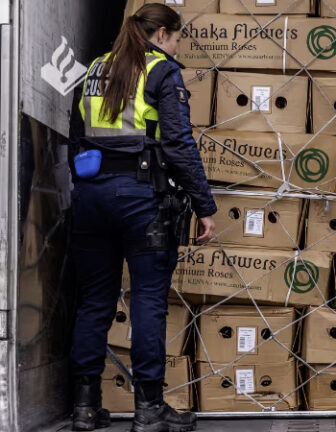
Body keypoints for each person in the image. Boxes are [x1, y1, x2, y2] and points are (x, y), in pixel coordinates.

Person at [68, 4, 216, 431]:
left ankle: (85, 408)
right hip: (141, 198)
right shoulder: (161, 71)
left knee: (95, 300)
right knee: (148, 301)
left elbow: (76, 134)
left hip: (91, 198)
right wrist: (204, 205)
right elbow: (178, 143)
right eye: (177, 38)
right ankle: (149, 410)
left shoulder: (96, 67)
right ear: (163, 34)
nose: (177, 46)